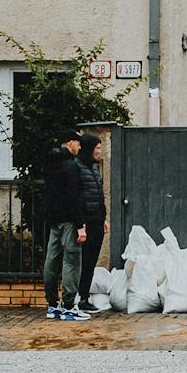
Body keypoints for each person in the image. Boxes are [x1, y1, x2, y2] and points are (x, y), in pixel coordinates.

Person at [40, 132, 90, 322]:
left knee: (51, 262)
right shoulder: (71, 166)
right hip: (69, 220)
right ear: (70, 143)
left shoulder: (51, 163)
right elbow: (74, 198)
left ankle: (52, 305)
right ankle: (69, 306)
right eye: (78, 143)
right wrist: (80, 225)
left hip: (55, 219)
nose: (79, 147)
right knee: (71, 261)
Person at [73, 132, 108, 312]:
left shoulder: (94, 167)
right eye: (97, 147)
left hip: (97, 221)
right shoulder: (77, 167)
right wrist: (81, 224)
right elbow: (77, 197)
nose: (99, 151)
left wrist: (104, 218)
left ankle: (84, 297)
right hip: (85, 222)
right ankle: (75, 298)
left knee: (91, 261)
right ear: (89, 148)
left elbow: (99, 194)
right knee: (81, 260)